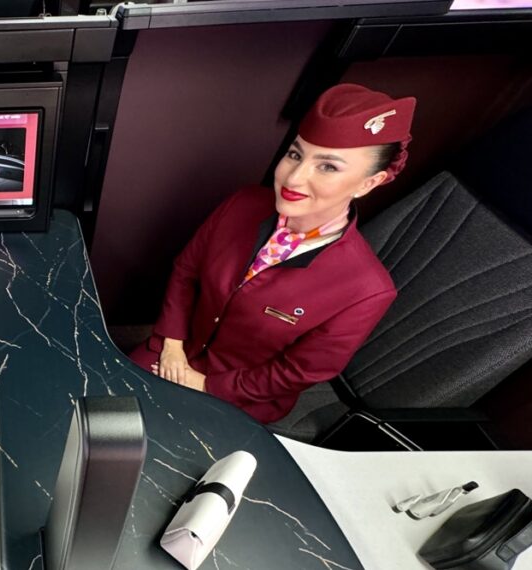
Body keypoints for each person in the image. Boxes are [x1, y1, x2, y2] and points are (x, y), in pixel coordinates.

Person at [129, 83, 416, 424]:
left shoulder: (368, 290)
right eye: (295, 154)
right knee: (99, 412)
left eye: (328, 167)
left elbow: (297, 371)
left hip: (240, 397)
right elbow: (186, 272)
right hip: (172, 352)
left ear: (368, 183)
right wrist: (173, 346)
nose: (293, 178)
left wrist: (206, 384)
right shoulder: (243, 204)